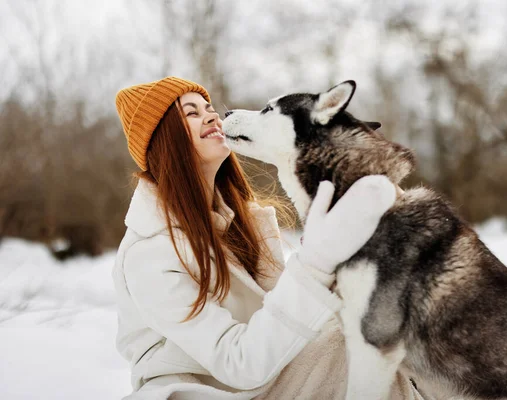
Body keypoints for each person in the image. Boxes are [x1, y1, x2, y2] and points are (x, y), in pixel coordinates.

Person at [113, 76, 423, 400]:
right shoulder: (150, 253)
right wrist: (315, 263)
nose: (211, 116)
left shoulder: (245, 223)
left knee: (377, 340)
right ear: (165, 140)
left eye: (208, 108)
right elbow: (239, 363)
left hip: (265, 380)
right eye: (191, 113)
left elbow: (285, 324)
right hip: (204, 392)